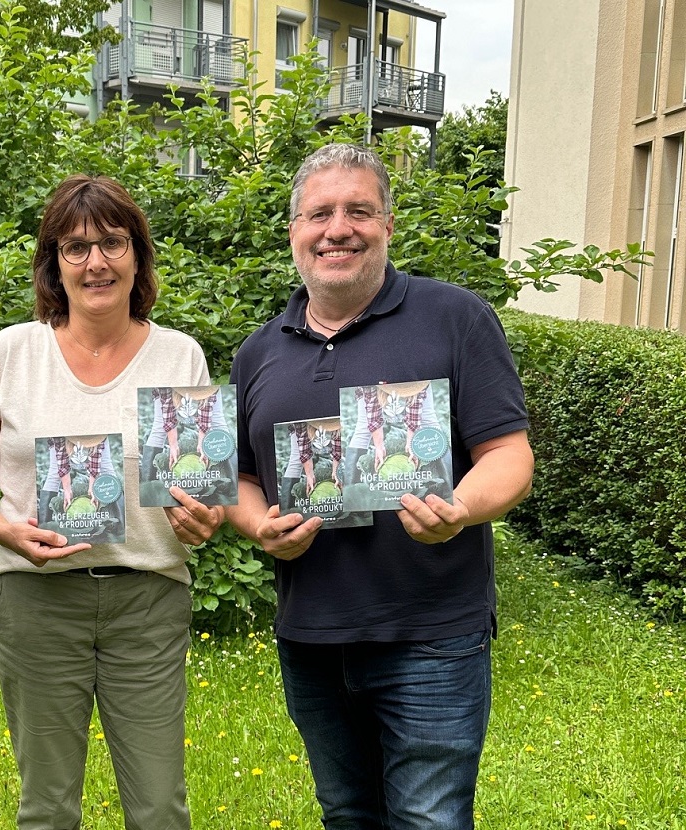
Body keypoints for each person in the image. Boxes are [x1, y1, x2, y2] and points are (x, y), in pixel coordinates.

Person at [227, 143, 533, 830]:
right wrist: (257, 527)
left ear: (387, 226)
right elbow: (239, 478)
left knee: (430, 819)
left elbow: (509, 456)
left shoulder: (454, 317)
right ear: (294, 231)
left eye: (358, 211)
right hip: (310, 634)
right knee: (345, 814)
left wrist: (460, 508)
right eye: (319, 213)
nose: (337, 229)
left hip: (429, 634)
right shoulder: (257, 350)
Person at [0, 173, 224, 829]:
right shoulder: (12, 353)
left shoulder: (178, 355)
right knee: (46, 806)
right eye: (74, 247)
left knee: (159, 806)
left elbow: (204, 502)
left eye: (111, 242)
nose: (95, 261)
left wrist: (201, 520)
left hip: (147, 599)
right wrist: (5, 530)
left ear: (137, 254)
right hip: (35, 601)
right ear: (54, 263)